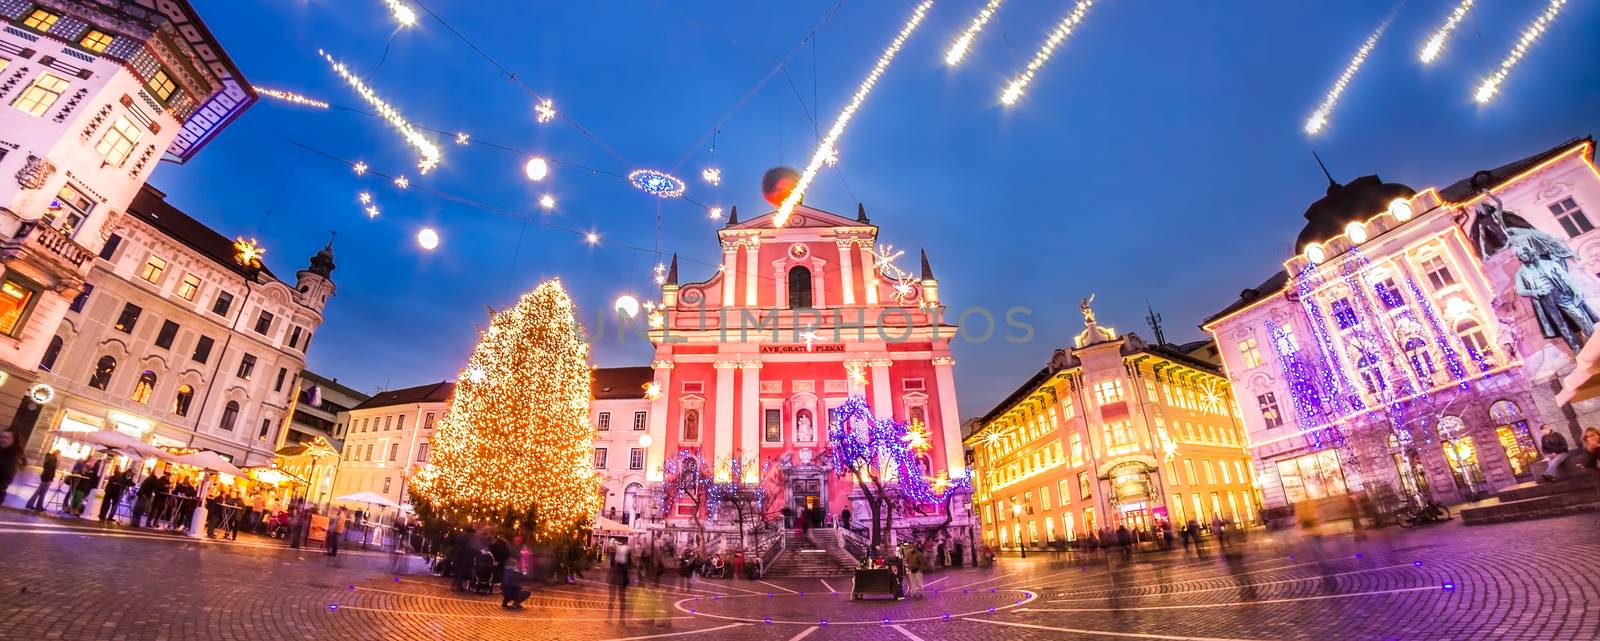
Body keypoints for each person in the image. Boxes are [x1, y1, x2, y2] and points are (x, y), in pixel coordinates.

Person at [608, 538, 631, 620]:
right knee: (619, 594)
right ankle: (620, 611)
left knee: (618, 594)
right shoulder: (621, 549)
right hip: (620, 572)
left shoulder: (623, 549)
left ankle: (620, 610)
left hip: (620, 572)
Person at [0, 431, 22, 507]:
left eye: (7, 438)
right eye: (2, 437)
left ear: (13, 441)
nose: (3, 439)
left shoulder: (12, 457)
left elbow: (7, 477)